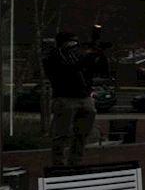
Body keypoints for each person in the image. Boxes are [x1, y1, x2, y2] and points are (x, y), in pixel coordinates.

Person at [42, 30, 103, 167]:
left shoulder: (78, 56)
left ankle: (75, 163)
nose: (74, 47)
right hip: (65, 97)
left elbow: (93, 69)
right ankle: (59, 165)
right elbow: (69, 67)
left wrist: (93, 56)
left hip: (84, 96)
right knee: (61, 134)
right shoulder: (55, 55)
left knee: (81, 134)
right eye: (71, 43)